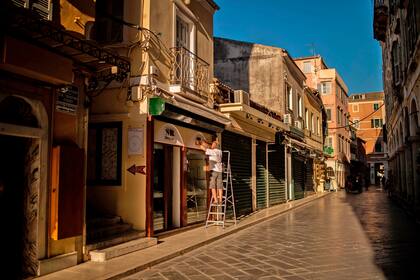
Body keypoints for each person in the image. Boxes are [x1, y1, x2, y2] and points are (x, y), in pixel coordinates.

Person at [200, 138, 223, 205]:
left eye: (213, 145)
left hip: (214, 171)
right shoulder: (219, 151)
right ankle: (220, 200)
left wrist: (200, 143)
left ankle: (216, 200)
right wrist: (214, 143)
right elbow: (210, 148)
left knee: (212, 186)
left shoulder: (213, 151)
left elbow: (203, 148)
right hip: (220, 170)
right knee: (219, 186)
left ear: (215, 146)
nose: (211, 146)